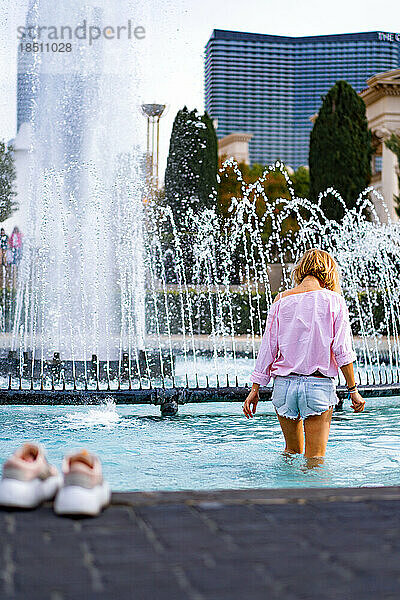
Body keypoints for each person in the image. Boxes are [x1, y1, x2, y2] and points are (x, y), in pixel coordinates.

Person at [243, 248, 365, 462]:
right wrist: (353, 390)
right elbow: (342, 350)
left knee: (290, 453)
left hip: (284, 387)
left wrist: (255, 388)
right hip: (317, 386)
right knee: (315, 459)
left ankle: (286, 495)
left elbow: (267, 348)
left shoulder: (280, 300)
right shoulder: (334, 300)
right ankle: (314, 496)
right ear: (329, 271)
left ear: (301, 269)